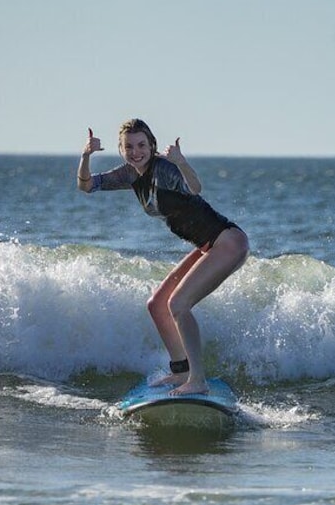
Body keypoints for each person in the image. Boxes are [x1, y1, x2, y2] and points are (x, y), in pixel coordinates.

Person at [76, 119, 249, 395]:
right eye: (129, 146)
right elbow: (86, 186)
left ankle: (198, 380)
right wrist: (85, 156)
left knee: (179, 304)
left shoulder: (164, 169)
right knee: (157, 305)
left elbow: (194, 188)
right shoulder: (129, 174)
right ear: (121, 150)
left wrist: (180, 161)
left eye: (142, 145)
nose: (136, 152)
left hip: (227, 241)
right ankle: (181, 373)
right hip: (207, 245)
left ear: (152, 145)